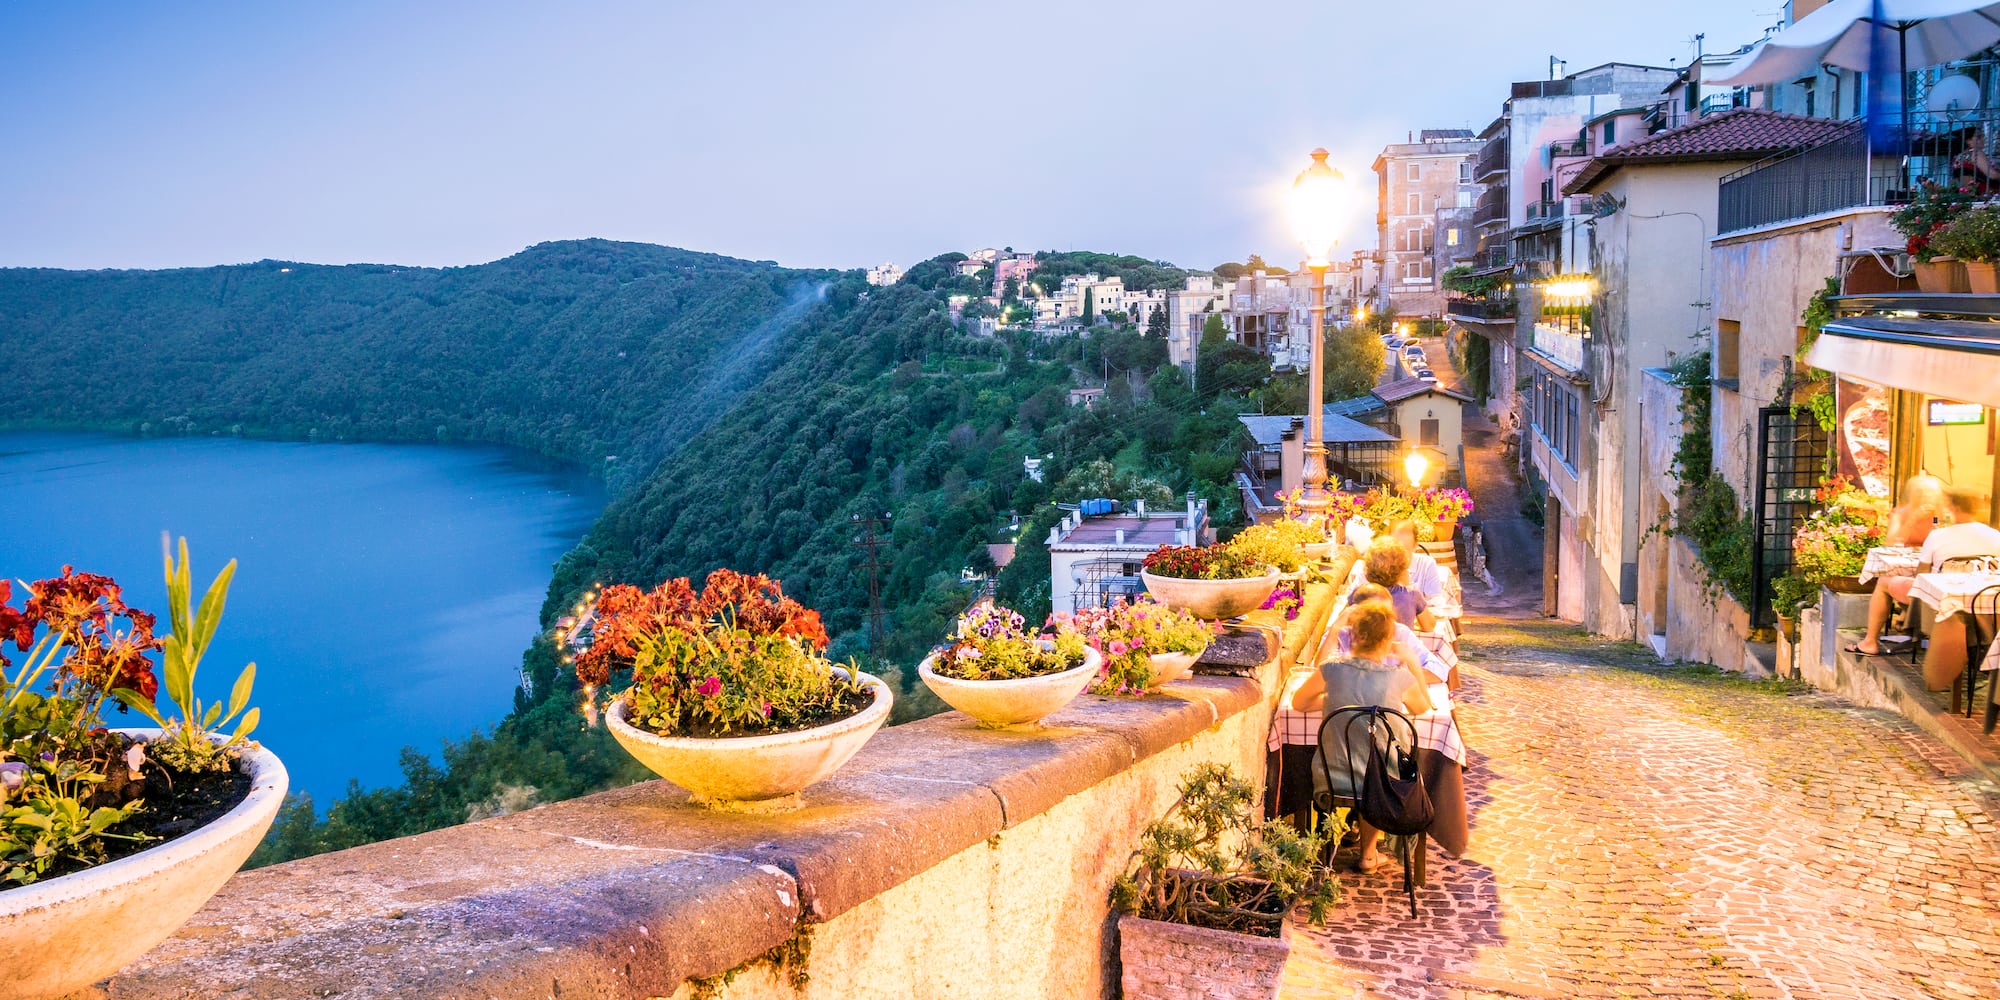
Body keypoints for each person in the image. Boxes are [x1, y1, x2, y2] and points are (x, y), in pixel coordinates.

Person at [1286, 600, 1432, 872]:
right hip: (1384, 784)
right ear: (1389, 639)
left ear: (1353, 634)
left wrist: (1337, 704)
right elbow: (1422, 707)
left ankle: (1325, 848)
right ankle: (1368, 854)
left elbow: (1300, 703)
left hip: (1333, 776)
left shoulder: (1330, 669)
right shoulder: (1397, 676)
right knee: (1376, 768)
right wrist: (1410, 660)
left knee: (1364, 766)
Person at [1848, 479, 1982, 657]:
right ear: (1915, 495)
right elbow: (1891, 542)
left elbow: (1937, 533)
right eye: (1925, 494)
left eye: (1933, 495)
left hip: (1934, 588)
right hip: (1944, 584)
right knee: (1896, 581)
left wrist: (1937, 522)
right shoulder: (1901, 513)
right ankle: (1906, 617)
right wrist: (1913, 519)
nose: (1930, 499)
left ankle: (1873, 639)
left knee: (1885, 583)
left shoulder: (1937, 518)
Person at [1356, 537, 1436, 632]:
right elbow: (1429, 626)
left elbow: (1345, 623)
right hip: (1402, 644)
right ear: (1401, 571)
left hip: (1367, 645)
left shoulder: (1359, 593)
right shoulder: (1412, 595)